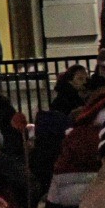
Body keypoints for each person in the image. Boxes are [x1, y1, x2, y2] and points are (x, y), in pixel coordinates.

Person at [29, 65, 91, 198]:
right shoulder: (68, 100)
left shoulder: (75, 97)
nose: (85, 82)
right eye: (80, 79)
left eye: (86, 78)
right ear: (70, 81)